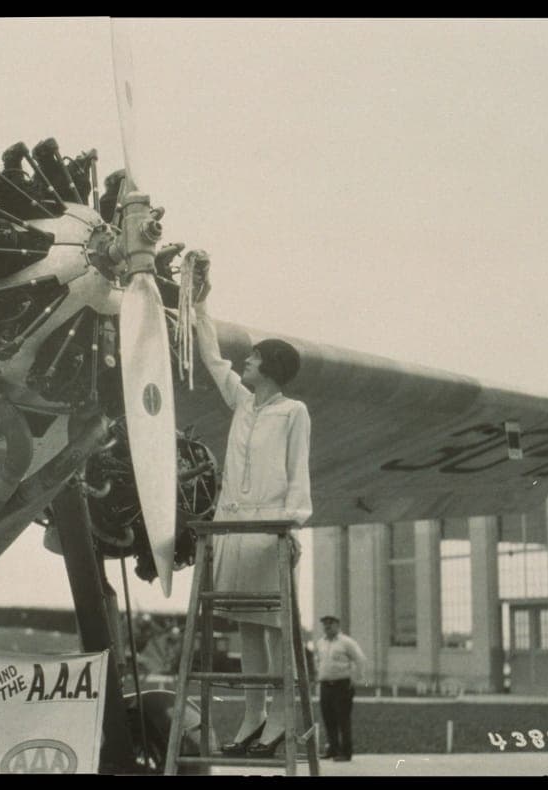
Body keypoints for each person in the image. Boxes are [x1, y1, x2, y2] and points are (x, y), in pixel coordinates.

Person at [189, 251, 313, 758]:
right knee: (245, 628)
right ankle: (252, 717)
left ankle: (283, 719)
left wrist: (291, 526)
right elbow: (214, 358)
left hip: (270, 531)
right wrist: (199, 303)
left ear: (273, 367)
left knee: (274, 627)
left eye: (255, 357)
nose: (247, 361)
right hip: (232, 530)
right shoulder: (243, 402)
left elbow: (298, 472)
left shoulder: (293, 412)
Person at [313, 614, 367, 761]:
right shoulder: (320, 643)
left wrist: (355, 679)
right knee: (328, 718)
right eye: (325, 624)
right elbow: (317, 660)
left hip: (342, 685)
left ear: (338, 625)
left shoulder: (346, 642)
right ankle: (333, 749)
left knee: (342, 719)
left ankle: (346, 752)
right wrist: (319, 675)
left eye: (330, 624)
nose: (327, 627)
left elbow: (360, 659)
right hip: (325, 685)